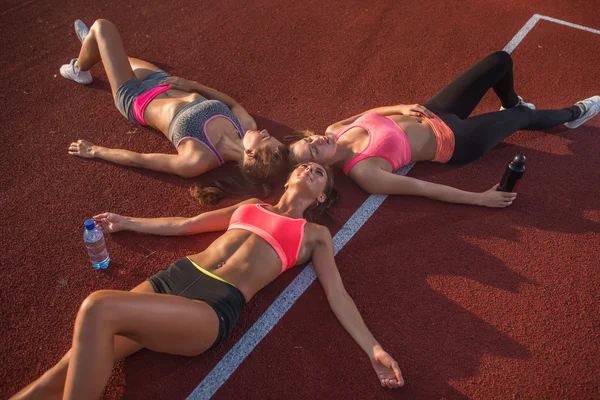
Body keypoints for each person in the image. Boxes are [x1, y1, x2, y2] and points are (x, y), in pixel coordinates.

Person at [11, 162, 403, 400]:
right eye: (307, 167)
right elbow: (188, 225)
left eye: (320, 175)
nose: (312, 171)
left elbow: (337, 295)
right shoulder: (251, 206)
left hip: (212, 306)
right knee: (63, 370)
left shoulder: (314, 235)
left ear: (320, 198)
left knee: (98, 306)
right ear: (287, 179)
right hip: (175, 277)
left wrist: (374, 349)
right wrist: (129, 222)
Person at [288, 51, 600, 207]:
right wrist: (479, 198)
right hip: (457, 141)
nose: (316, 138)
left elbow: (368, 113)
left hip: (437, 110)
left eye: (309, 138)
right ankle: (575, 113)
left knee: (499, 61)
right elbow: (423, 189)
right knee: (523, 117)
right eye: (314, 148)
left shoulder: (335, 129)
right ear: (323, 166)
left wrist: (400, 108)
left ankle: (508, 102)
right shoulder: (365, 172)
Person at [61, 19, 291, 184]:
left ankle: (79, 69)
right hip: (161, 81)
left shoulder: (199, 160)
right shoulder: (246, 126)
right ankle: (90, 45)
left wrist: (94, 151)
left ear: (251, 155)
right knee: (107, 47)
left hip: (134, 96)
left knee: (103, 27)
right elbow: (233, 104)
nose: (266, 132)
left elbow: (140, 160)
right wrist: (194, 85)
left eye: (266, 139)